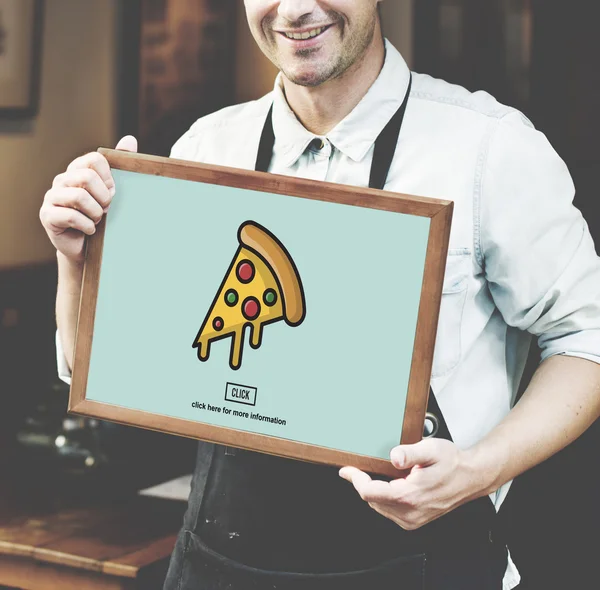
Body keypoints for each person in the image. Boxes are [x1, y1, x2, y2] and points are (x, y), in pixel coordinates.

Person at [40, 1, 600, 589]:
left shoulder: (490, 149)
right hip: (219, 567)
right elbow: (97, 371)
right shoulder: (205, 151)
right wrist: (73, 258)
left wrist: (479, 471)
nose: (297, 7)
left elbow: (587, 340)